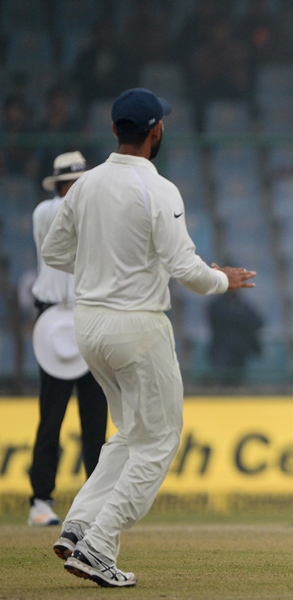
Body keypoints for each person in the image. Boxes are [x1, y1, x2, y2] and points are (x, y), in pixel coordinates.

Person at [41, 88, 256, 587]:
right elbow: (187, 269)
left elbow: (54, 253)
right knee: (159, 440)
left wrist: (101, 268)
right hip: (136, 326)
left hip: (88, 326)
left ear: (116, 130)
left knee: (132, 434)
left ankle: (77, 527)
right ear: (156, 131)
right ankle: (98, 546)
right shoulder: (158, 189)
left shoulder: (84, 186)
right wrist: (224, 279)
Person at [28, 151, 109, 528]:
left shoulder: (93, 214)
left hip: (88, 315)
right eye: (71, 184)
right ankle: (40, 500)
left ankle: (94, 503)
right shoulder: (46, 210)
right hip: (54, 322)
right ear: (60, 186)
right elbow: (67, 213)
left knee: (95, 419)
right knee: (52, 418)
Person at [207, 291, 264, 384]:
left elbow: (258, 322)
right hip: (222, 350)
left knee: (238, 380)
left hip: (240, 351)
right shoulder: (217, 305)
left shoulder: (243, 305)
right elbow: (226, 319)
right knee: (222, 379)